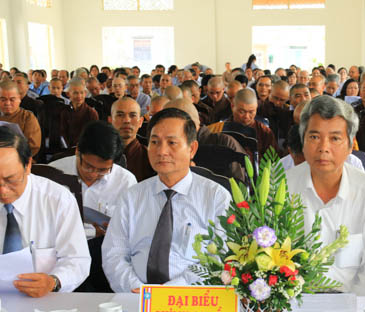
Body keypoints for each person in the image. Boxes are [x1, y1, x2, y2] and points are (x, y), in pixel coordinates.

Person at [0, 126, 90, 296]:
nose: (2, 190)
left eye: (10, 179)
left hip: (45, 301)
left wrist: (54, 281)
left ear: (28, 166)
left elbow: (77, 260)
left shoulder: (58, 200)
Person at [102, 108, 231, 291]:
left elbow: (219, 257)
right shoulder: (132, 196)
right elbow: (114, 253)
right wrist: (137, 290)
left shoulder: (216, 197)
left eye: (172, 143)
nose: (161, 151)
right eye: (154, 142)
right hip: (135, 296)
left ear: (192, 149)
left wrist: (170, 291)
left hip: (191, 297)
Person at [286, 96, 365, 296]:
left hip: (353, 302)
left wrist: (349, 306)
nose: (323, 147)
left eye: (335, 138)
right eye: (314, 137)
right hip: (293, 302)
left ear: (350, 146)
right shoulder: (281, 188)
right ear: (303, 142)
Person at [50, 121, 136, 238]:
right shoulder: (51, 174)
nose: (93, 174)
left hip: (105, 243)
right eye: (88, 166)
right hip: (60, 241)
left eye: (102, 170)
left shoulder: (125, 182)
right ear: (77, 151)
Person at [208, 89, 279, 161]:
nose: (246, 116)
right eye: (242, 112)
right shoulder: (218, 129)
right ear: (232, 106)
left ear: (256, 108)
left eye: (251, 112)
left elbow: (273, 161)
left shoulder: (265, 132)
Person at [0, 80, 42, 156]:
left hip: (20, 159)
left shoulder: (27, 117)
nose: (7, 103)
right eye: (3, 99)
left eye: (12, 99)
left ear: (19, 99)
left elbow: (33, 147)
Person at [110, 96, 155, 181]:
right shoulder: (99, 155)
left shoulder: (150, 157)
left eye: (132, 115)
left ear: (141, 122)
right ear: (110, 120)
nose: (126, 120)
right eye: (120, 115)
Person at [59, 79, 99, 147]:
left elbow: (94, 135)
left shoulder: (91, 113)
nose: (79, 96)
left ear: (85, 93)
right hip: (69, 148)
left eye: (82, 93)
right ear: (68, 94)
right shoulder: (65, 112)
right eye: (75, 93)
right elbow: (63, 133)